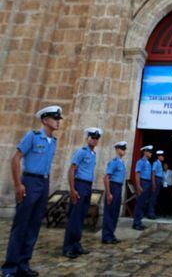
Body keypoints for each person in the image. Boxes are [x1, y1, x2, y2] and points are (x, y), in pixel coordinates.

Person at [1, 106, 63, 277]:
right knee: (21, 225)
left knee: (34, 225)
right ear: (44, 120)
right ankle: (10, 268)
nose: (58, 121)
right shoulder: (33, 136)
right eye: (54, 118)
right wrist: (17, 184)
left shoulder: (54, 141)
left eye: (59, 119)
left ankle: (23, 264)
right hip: (29, 181)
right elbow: (16, 158)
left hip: (43, 182)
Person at [62, 127, 102, 259]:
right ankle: (68, 247)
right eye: (92, 137)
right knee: (74, 217)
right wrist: (72, 189)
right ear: (87, 138)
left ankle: (76, 244)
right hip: (79, 184)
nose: (94, 140)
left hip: (87, 186)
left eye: (96, 138)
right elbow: (72, 170)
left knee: (81, 216)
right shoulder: (81, 151)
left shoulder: (93, 154)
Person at [101, 141, 127, 244]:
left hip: (118, 187)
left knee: (115, 212)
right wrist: (108, 193)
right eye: (121, 148)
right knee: (109, 212)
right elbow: (106, 178)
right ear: (116, 149)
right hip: (113, 186)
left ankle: (111, 234)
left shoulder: (121, 162)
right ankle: (106, 236)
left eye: (124, 149)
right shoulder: (114, 161)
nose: (123, 151)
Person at [132, 145, 153, 230]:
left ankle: (139, 222)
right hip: (142, 182)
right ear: (145, 152)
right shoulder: (140, 162)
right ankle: (136, 223)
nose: (151, 153)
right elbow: (137, 174)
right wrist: (138, 186)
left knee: (144, 203)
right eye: (150, 151)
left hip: (147, 183)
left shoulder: (148, 162)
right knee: (139, 203)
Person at [148, 150, 164, 219]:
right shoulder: (156, 163)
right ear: (159, 156)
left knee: (155, 197)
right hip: (156, 180)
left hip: (159, 180)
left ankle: (152, 212)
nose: (163, 157)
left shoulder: (160, 163)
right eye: (162, 156)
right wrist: (154, 183)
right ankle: (150, 213)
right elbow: (153, 173)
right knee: (153, 197)